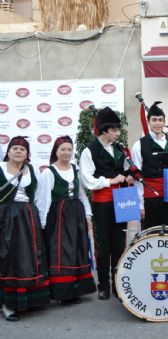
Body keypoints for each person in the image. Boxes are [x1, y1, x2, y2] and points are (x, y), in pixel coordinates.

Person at [35, 136, 96, 305]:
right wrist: (42, 223)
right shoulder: (49, 172)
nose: (67, 152)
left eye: (69, 149)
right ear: (56, 151)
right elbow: (44, 198)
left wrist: (88, 215)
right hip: (59, 217)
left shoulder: (75, 169)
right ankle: (63, 293)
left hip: (76, 215)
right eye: (63, 149)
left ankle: (75, 290)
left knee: (77, 250)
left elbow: (82, 195)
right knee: (63, 253)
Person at [79, 107, 131, 300]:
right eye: (115, 130)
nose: (118, 133)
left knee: (119, 243)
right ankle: (103, 286)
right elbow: (87, 180)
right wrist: (111, 181)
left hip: (121, 201)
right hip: (101, 203)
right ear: (105, 130)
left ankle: (118, 284)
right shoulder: (89, 150)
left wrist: (128, 177)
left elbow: (126, 170)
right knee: (103, 244)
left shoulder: (119, 149)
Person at [0, 136, 49, 321]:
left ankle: (26, 301)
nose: (18, 151)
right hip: (5, 218)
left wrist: (39, 220)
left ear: (27, 154)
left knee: (27, 259)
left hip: (28, 218)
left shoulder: (32, 170)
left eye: (22, 149)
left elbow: (37, 197)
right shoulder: (0, 168)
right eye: (15, 148)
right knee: (7, 259)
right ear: (8, 151)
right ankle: (7, 304)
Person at [132, 101, 168, 229]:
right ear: (148, 121)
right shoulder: (139, 145)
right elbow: (137, 177)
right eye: (154, 120)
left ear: (164, 122)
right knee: (150, 235)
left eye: (160, 120)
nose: (158, 123)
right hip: (149, 197)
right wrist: (140, 205)